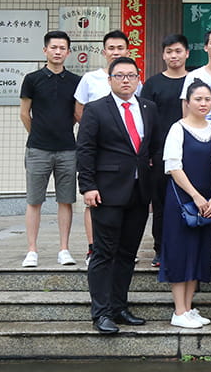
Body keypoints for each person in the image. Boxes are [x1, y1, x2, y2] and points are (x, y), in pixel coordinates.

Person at [76, 56, 155, 335]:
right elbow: (85, 149)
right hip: (106, 192)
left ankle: (119, 307)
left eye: (131, 75)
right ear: (109, 80)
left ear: (138, 79)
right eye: (119, 75)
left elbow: (153, 148)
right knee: (104, 252)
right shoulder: (96, 109)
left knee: (127, 253)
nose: (125, 80)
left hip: (139, 193)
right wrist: (88, 186)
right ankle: (101, 313)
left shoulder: (148, 107)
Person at [161, 79, 211, 329]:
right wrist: (196, 196)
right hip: (182, 200)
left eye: (207, 99)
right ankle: (179, 310)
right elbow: (174, 167)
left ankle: (188, 307)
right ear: (187, 102)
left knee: (198, 253)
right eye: (198, 99)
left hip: (209, 202)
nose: (203, 103)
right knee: (180, 253)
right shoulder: (178, 129)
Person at [74, 29, 138, 265]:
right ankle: (93, 247)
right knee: (95, 203)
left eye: (120, 48)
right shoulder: (90, 79)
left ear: (128, 51)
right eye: (111, 48)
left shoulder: (133, 80)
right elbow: (80, 111)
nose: (115, 52)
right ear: (103, 52)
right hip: (99, 152)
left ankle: (122, 248)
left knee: (124, 208)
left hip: (125, 157)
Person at [18, 30, 81, 268]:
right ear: (45, 50)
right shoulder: (32, 79)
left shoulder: (76, 81)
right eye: (53, 47)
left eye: (62, 48)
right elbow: (25, 114)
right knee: (34, 201)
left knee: (66, 200)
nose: (57, 52)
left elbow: (76, 114)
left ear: (68, 52)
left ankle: (64, 249)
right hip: (38, 149)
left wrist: (62, 129)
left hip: (67, 149)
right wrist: (37, 133)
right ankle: (31, 250)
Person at [141, 33, 190, 268]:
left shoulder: (194, 81)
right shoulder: (152, 84)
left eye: (178, 51)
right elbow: (144, 122)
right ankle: (160, 249)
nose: (174, 56)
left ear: (187, 53)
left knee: (189, 199)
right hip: (159, 153)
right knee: (160, 203)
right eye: (169, 52)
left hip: (189, 152)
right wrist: (148, 153)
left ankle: (190, 247)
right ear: (163, 55)